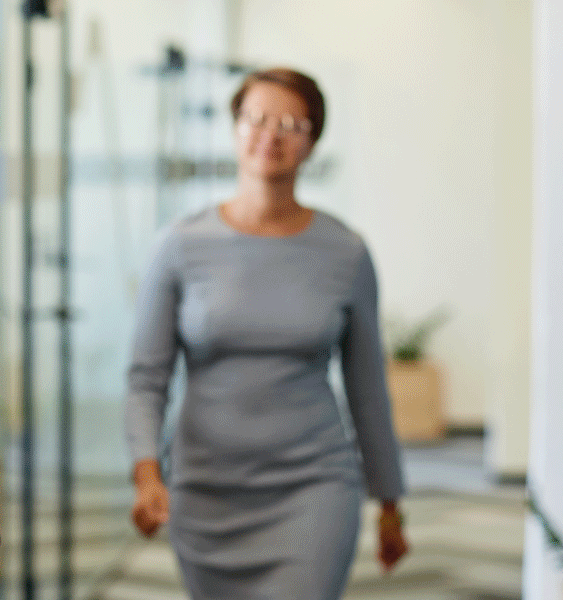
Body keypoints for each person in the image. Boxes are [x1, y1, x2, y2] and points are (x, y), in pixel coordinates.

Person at [125, 67, 409, 600]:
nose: (270, 135)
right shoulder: (180, 245)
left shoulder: (345, 252)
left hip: (314, 486)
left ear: (312, 141)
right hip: (206, 490)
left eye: (291, 123)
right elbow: (147, 377)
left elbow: (368, 387)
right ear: (235, 129)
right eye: (256, 118)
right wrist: (146, 473)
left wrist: (390, 504)